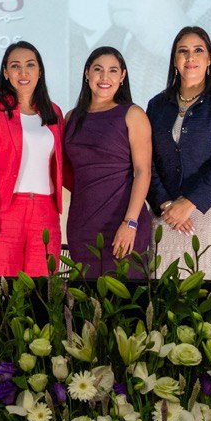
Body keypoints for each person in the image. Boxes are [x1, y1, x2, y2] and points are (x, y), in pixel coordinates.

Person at [146, 27, 211, 280]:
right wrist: (166, 204)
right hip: (166, 215)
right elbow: (148, 163)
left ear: (209, 59)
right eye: (183, 51)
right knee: (164, 295)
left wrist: (188, 203)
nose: (190, 57)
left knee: (209, 294)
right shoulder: (156, 105)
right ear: (174, 60)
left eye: (198, 50)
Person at [0, 41, 65, 277]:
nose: (23, 72)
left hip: (45, 212)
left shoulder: (53, 112)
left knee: (42, 287)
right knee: (2, 286)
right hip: (4, 210)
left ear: (40, 71)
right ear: (5, 72)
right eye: (15, 66)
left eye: (30, 65)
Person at [63, 47, 152, 277]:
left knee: (124, 294)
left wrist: (130, 223)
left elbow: (143, 172)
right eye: (98, 70)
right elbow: (70, 172)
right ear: (87, 74)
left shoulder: (133, 114)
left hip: (123, 223)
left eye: (113, 70)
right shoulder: (71, 118)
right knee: (86, 295)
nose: (105, 77)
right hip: (82, 224)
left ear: (122, 76)